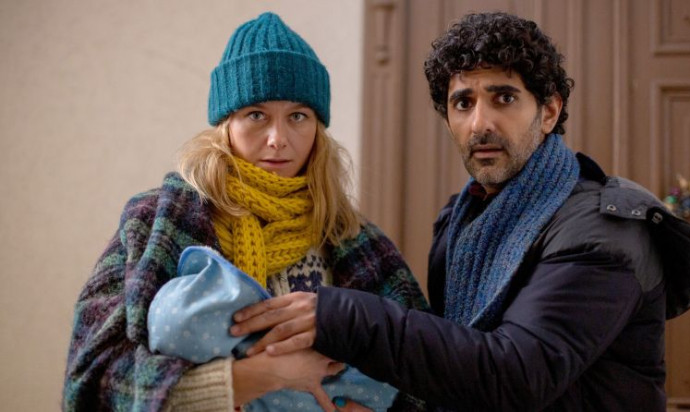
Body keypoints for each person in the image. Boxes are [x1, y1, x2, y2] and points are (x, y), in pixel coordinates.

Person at [230, 11, 690, 411]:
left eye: (503, 98)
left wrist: (344, 317)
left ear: (549, 111)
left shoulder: (602, 230)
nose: (480, 123)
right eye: (463, 103)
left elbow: (516, 374)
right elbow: (446, 365)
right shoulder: (462, 220)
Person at [62, 12, 428, 412]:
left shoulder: (354, 237)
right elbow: (92, 378)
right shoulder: (156, 222)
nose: (278, 139)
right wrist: (262, 376)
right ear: (227, 124)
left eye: (298, 116)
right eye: (256, 115)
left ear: (317, 129)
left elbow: (426, 367)